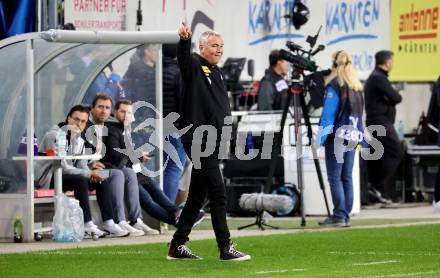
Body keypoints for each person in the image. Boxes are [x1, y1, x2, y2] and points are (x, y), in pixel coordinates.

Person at [166, 23, 251, 261]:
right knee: (218, 192)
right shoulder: (193, 63)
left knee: (195, 198)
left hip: (213, 140)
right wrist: (184, 42)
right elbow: (183, 60)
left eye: (221, 46)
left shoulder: (216, 70)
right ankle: (225, 246)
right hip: (198, 139)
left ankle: (177, 245)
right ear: (201, 47)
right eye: (214, 46)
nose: (219, 50)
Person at [101, 100, 198, 228]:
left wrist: (138, 157)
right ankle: (177, 220)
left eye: (129, 112)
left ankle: (176, 213)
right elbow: (114, 156)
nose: (126, 115)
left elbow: (123, 155)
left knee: (154, 187)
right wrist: (136, 156)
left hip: (130, 170)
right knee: (147, 198)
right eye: (123, 111)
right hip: (120, 172)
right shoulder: (113, 129)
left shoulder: (124, 129)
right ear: (115, 112)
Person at [35, 105, 126, 237]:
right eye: (76, 119)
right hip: (48, 178)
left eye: (83, 121)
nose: (79, 124)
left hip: (66, 177)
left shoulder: (80, 140)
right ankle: (87, 223)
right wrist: (89, 173)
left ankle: (109, 222)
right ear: (68, 119)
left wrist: (93, 174)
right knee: (81, 179)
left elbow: (82, 166)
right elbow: (64, 167)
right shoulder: (54, 135)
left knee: (100, 178)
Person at [87, 93, 154, 236]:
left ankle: (135, 219)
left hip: (105, 169)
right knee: (119, 173)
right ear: (92, 108)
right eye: (100, 107)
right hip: (89, 172)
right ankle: (119, 221)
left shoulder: (109, 127)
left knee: (129, 173)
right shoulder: (87, 126)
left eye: (107, 108)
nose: (104, 111)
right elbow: (111, 154)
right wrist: (91, 163)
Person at [316, 50, 364, 228]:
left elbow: (328, 117)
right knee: (347, 177)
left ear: (334, 64)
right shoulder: (357, 87)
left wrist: (318, 140)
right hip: (353, 136)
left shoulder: (335, 86)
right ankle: (345, 215)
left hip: (337, 137)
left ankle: (339, 215)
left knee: (335, 177)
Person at [364, 50, 403, 203]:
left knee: (380, 156)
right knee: (396, 152)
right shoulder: (379, 78)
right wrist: (391, 97)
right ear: (387, 62)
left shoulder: (376, 78)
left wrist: (390, 98)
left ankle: (379, 191)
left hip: (377, 121)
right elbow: (396, 97)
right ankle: (377, 187)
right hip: (380, 122)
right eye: (391, 61)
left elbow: (391, 97)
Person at [161, 43, 188, 204]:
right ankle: (168, 208)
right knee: (175, 167)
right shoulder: (178, 72)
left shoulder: (156, 70)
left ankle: (162, 207)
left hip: (156, 126)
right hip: (175, 126)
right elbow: (183, 101)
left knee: (164, 168)